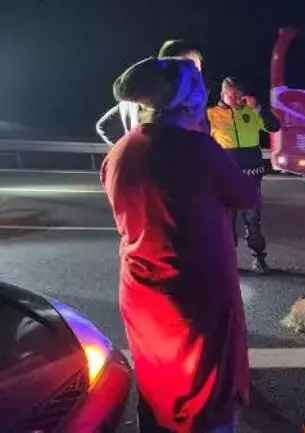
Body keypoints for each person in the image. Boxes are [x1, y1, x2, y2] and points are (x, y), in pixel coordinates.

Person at [101, 57, 258, 432]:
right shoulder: (197, 149)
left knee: (158, 381)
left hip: (142, 290)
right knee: (207, 391)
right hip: (196, 291)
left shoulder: (122, 149)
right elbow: (246, 195)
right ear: (189, 100)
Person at [208, 77, 280, 274]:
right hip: (225, 175)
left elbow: (274, 126)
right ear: (223, 95)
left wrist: (259, 109)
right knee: (226, 222)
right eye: (231, 95)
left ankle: (259, 259)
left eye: (238, 95)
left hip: (251, 174)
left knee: (253, 219)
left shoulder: (252, 111)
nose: (235, 99)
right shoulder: (211, 115)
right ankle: (229, 263)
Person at [96, 40, 204, 146]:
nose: (197, 77)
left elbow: (105, 126)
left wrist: (127, 147)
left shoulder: (132, 98)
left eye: (198, 70)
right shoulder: (175, 107)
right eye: (191, 68)